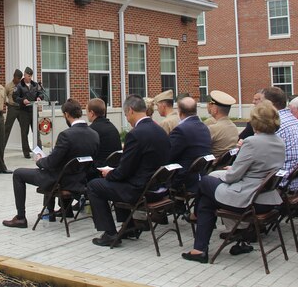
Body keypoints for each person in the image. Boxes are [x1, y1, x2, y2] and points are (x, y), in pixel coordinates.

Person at [181, 100, 286, 264]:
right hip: (266, 198)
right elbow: (259, 169)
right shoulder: (280, 142)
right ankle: (234, 242)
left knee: (206, 181)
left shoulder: (251, 142)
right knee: (208, 201)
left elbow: (232, 177)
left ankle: (199, 239)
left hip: (248, 199)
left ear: (255, 121)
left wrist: (223, 173)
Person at [87, 95, 171, 247]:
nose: (127, 118)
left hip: (140, 191)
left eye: (126, 114)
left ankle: (110, 233)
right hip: (158, 188)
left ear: (131, 111)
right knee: (115, 181)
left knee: (94, 185)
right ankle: (130, 227)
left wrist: (109, 173)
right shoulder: (159, 130)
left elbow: (123, 171)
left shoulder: (135, 134)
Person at [2, 98, 99, 228]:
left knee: (18, 174)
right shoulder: (94, 134)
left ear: (66, 114)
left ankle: (20, 217)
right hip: (79, 180)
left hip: (59, 180)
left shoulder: (66, 135)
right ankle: (59, 211)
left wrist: (40, 160)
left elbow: (51, 163)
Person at [263, 87, 298, 190]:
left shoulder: (274, 124)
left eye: (260, 102)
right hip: (297, 181)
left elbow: (259, 159)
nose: (256, 105)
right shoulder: (294, 120)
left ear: (269, 104)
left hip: (280, 183)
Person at [169, 96, 213, 191]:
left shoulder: (180, 130)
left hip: (183, 180)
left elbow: (168, 155)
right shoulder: (204, 127)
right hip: (200, 176)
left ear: (179, 112)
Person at [86, 98, 122, 180]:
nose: (86, 114)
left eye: (87, 111)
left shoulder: (92, 130)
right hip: (114, 167)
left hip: (98, 171)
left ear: (92, 113)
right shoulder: (112, 127)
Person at [13, 67, 44, 157]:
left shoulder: (35, 84)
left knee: (36, 132)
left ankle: (39, 151)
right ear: (25, 74)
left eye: (31, 76)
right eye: (28, 75)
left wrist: (39, 97)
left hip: (34, 111)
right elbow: (15, 97)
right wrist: (22, 100)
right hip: (24, 112)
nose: (30, 78)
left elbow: (41, 93)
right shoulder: (19, 85)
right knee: (24, 132)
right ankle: (26, 152)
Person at [206, 90, 239, 159]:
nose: (208, 106)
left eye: (210, 105)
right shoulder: (234, 127)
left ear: (215, 109)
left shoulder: (213, 129)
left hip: (213, 168)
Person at [5, 69, 27, 158]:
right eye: (18, 78)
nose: (19, 80)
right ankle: (1, 148)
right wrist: (7, 102)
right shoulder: (8, 86)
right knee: (7, 128)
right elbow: (3, 96)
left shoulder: (22, 86)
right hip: (12, 108)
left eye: (20, 78)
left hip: (21, 108)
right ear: (14, 77)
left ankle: (26, 149)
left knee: (24, 129)